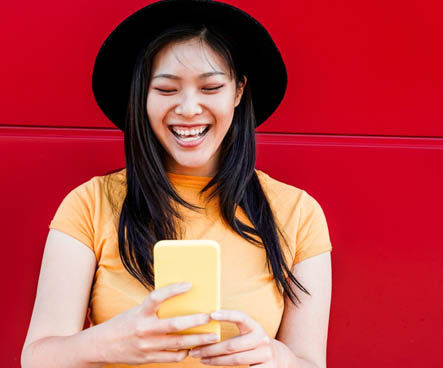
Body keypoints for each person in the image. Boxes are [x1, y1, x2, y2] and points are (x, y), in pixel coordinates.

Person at [21, 1, 332, 367]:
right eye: (167, 90)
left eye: (211, 87)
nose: (188, 108)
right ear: (143, 96)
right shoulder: (89, 204)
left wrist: (275, 357)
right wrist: (109, 343)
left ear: (238, 91)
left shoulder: (298, 213)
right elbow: (36, 359)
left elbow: (310, 362)